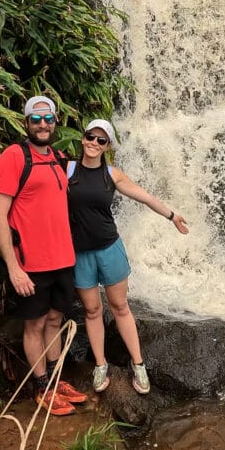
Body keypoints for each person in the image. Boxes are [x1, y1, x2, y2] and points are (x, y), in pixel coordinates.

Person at [67, 118, 189, 394]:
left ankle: (138, 364)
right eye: (90, 137)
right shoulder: (68, 170)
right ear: (83, 138)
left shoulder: (112, 174)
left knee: (120, 306)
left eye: (101, 140)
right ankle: (100, 364)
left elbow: (144, 197)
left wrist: (172, 215)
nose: (94, 143)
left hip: (110, 248)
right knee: (92, 310)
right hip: (80, 253)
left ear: (107, 146)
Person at [0, 95, 88, 416]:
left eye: (48, 119)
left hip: (63, 260)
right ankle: (40, 386)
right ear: (26, 122)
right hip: (31, 263)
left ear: (55, 122)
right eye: (36, 119)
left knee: (55, 320)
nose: (42, 125)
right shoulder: (14, 157)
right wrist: (14, 268)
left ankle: (56, 380)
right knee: (34, 325)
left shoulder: (59, 158)